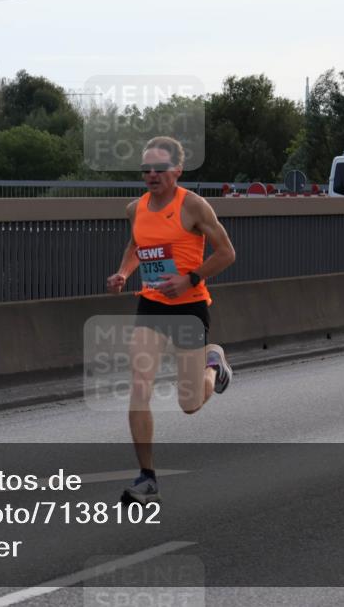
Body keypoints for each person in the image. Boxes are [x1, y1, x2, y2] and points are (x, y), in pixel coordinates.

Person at [106, 136, 237, 504]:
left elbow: (227, 252)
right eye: (146, 169)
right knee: (139, 386)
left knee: (190, 403)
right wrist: (123, 272)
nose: (151, 175)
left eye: (159, 169)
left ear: (177, 171)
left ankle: (213, 363)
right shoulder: (135, 208)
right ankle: (147, 478)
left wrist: (190, 279)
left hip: (188, 307)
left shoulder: (194, 206)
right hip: (150, 305)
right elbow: (136, 246)